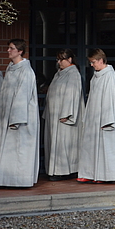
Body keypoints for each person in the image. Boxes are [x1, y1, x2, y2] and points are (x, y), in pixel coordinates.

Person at [0, 39, 40, 188]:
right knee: (1, 148)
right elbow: (3, 94)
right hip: (5, 116)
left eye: (12, 48)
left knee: (16, 150)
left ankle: (15, 180)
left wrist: (16, 119)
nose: (8, 50)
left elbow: (22, 95)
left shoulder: (25, 71)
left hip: (18, 119)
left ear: (20, 51)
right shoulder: (11, 69)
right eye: (9, 48)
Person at [77, 48, 115, 183]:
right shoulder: (96, 76)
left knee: (106, 148)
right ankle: (90, 173)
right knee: (91, 147)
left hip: (104, 119)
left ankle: (105, 175)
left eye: (93, 62)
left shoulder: (110, 76)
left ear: (101, 60)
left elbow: (111, 100)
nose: (91, 65)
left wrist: (107, 121)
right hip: (94, 118)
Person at [43, 48, 83, 180]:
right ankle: (54, 170)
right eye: (58, 59)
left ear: (69, 59)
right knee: (56, 143)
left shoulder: (73, 74)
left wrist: (67, 113)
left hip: (63, 117)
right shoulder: (59, 73)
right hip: (54, 115)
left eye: (61, 59)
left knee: (64, 143)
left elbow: (72, 94)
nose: (58, 62)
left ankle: (64, 171)